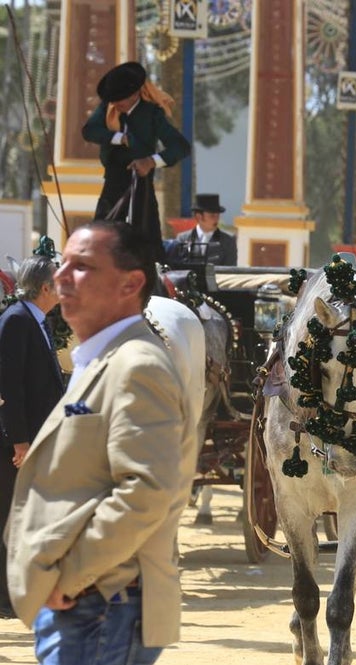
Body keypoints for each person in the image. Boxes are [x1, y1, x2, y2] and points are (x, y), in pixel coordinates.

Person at [5, 220, 199, 665]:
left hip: (100, 606)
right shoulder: (102, 359)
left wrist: (69, 575)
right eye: (63, 264)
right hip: (92, 607)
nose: (62, 277)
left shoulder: (137, 366)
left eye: (83, 266)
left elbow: (146, 491)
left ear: (130, 283)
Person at [0, 256, 65, 620]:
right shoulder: (16, 321)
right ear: (45, 288)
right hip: (15, 445)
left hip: (36, 439)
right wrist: (19, 441)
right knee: (8, 517)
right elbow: (9, 387)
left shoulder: (36, 320)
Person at [81, 61, 191, 265]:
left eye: (121, 98)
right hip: (113, 180)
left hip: (141, 183)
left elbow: (180, 147)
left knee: (147, 238)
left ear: (134, 95)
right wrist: (119, 137)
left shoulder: (152, 113)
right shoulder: (109, 107)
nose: (117, 104)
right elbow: (89, 131)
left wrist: (151, 161)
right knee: (102, 232)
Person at [171, 193, 238, 266]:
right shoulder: (183, 238)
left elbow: (229, 269)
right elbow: (177, 266)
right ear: (199, 217)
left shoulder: (228, 241)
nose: (216, 219)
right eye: (212, 216)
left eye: (218, 215)